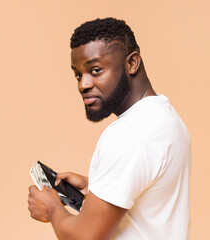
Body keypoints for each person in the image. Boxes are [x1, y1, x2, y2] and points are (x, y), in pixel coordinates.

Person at [27, 17, 191, 239]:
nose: (82, 84)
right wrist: (94, 188)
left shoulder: (129, 133)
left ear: (132, 63)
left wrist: (53, 208)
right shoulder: (165, 116)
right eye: (78, 74)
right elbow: (151, 201)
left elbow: (85, 237)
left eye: (95, 70)